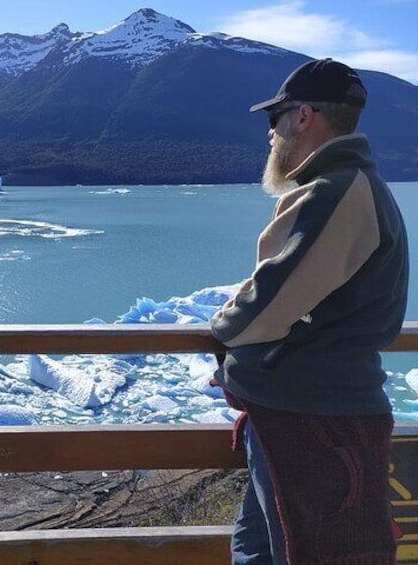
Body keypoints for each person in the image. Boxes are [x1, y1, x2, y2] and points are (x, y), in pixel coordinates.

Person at [210, 58, 409, 564]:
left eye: (274, 120)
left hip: (313, 419)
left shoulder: (335, 191)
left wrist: (222, 325)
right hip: (311, 412)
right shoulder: (356, 185)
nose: (271, 135)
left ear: (304, 116)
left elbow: (266, 308)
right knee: (258, 548)